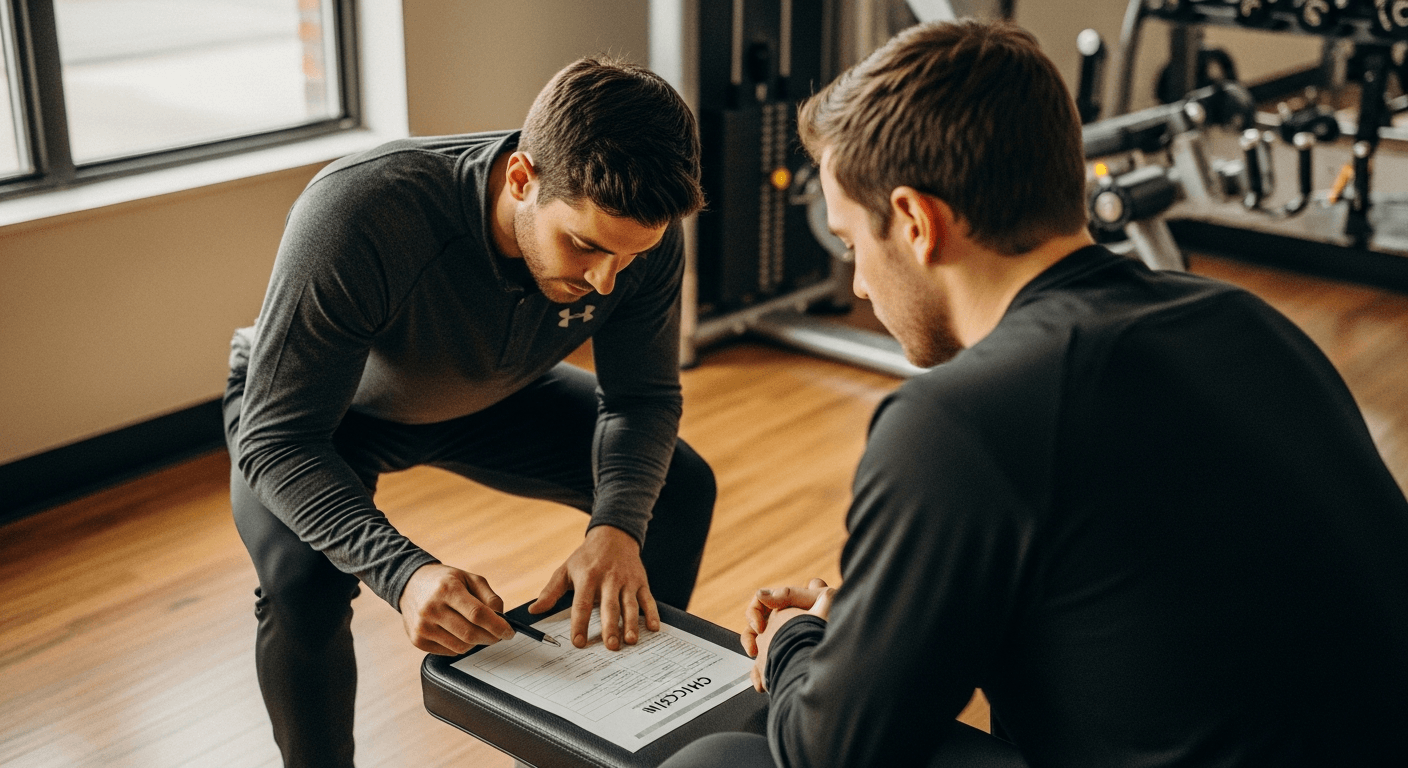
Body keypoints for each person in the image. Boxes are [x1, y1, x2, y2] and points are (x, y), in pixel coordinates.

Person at [662, 19, 1408, 768]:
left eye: (853, 242)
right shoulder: (1242, 318)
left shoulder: (957, 420)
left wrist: (800, 640)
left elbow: (830, 751)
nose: (856, 281)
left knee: (720, 760)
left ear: (918, 222)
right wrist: (867, 623)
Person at [223, 57, 716, 768]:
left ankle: (615, 732)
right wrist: (405, 573)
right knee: (303, 584)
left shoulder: (639, 238)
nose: (607, 280)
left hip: (492, 390)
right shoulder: (362, 210)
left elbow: (641, 398)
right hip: (325, 414)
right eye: (584, 246)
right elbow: (277, 440)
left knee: (674, 488)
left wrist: (617, 528)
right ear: (522, 179)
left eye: (629, 257)